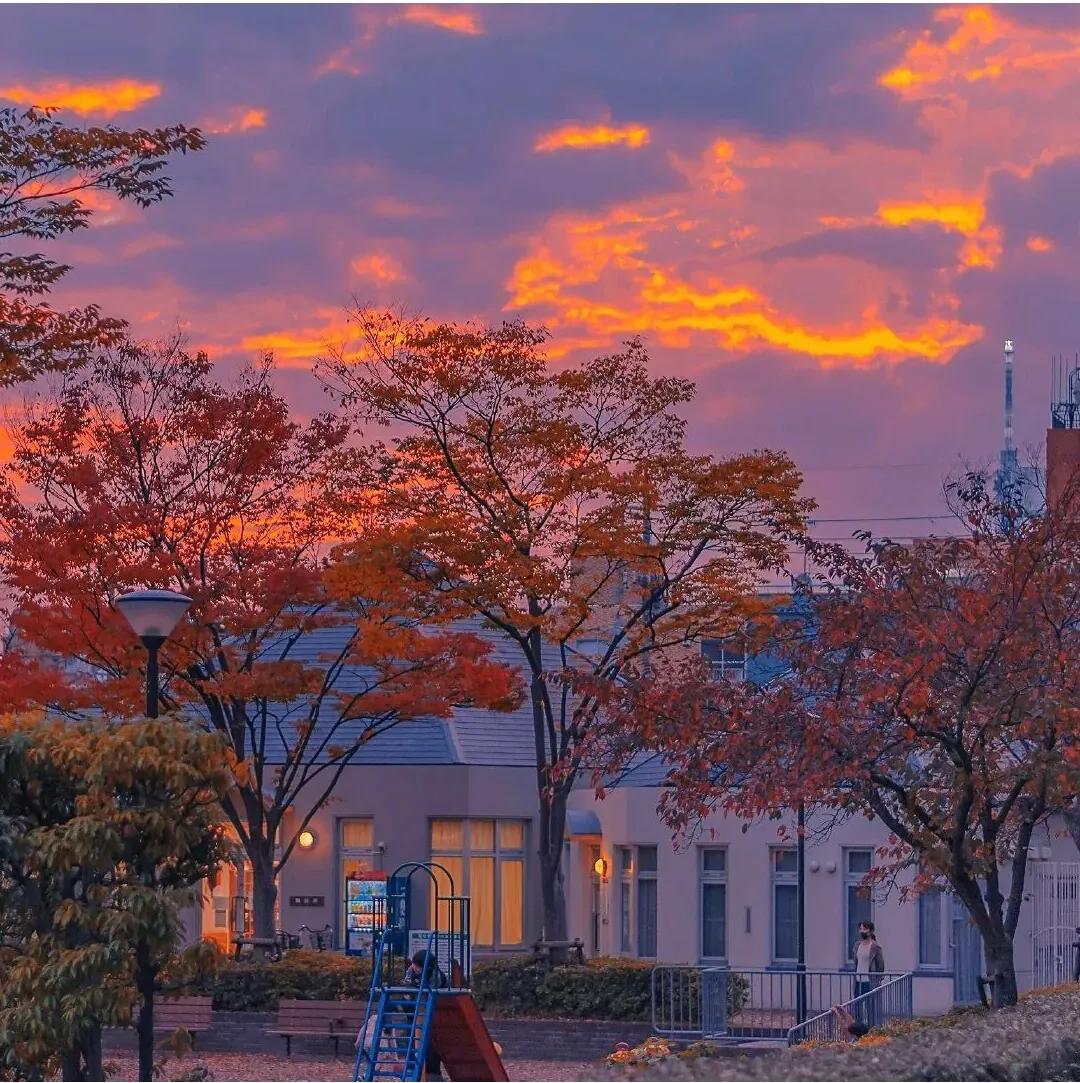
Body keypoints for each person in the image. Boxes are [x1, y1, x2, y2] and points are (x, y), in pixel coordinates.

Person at [852, 921, 885, 1026]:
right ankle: (859, 1030)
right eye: (860, 929)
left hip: (869, 982)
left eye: (864, 929)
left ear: (870, 931)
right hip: (858, 981)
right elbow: (856, 962)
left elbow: (880, 966)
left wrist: (877, 979)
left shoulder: (875, 947)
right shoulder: (857, 945)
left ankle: (871, 1030)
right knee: (857, 1007)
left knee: (870, 1008)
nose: (862, 931)